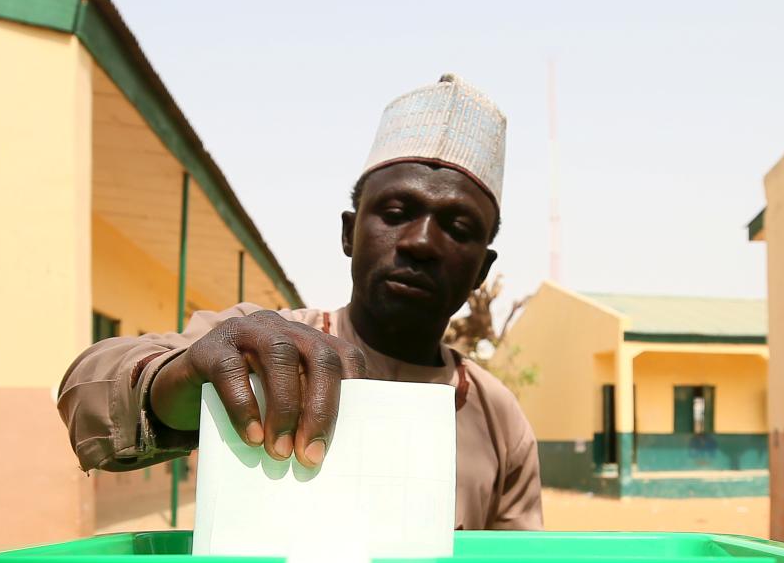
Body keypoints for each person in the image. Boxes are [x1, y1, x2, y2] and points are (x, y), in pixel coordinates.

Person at [57, 74, 542, 530]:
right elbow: (86, 395)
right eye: (396, 213)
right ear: (350, 233)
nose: (421, 242)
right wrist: (179, 379)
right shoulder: (258, 341)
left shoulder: (499, 417)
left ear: (481, 270)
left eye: (457, 229)